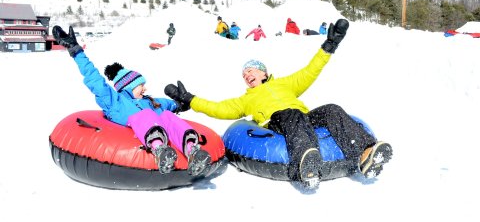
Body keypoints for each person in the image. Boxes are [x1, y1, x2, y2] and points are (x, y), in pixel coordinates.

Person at [164, 19, 392, 190]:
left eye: (250, 71)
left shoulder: (286, 84)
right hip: (277, 122)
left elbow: (310, 70)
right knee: (291, 113)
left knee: (331, 109)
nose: (247, 76)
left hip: (304, 118)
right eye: (244, 74)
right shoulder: (246, 99)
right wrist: (191, 100)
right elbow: (219, 108)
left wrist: (329, 46)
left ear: (263, 72)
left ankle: (366, 153)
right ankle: (308, 164)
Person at [52, 25, 212, 176]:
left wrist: (179, 103)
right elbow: (95, 80)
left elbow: (164, 104)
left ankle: (193, 152)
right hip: (143, 133)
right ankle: (160, 151)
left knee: (168, 117)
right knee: (146, 116)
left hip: (159, 124)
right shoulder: (115, 102)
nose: (145, 89)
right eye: (140, 85)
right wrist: (76, 51)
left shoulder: (149, 101)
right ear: (127, 86)